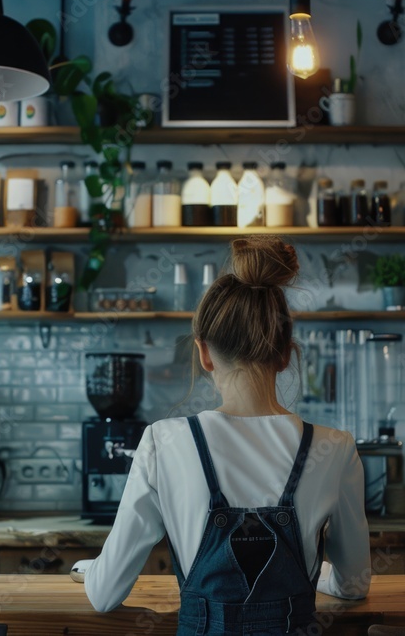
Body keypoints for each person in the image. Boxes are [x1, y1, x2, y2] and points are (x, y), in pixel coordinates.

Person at [76, 236, 371, 635]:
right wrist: (318, 574)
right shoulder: (335, 448)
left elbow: (104, 594)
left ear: (204, 353)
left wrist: (89, 569)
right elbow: (354, 585)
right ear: (285, 354)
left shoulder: (162, 442)